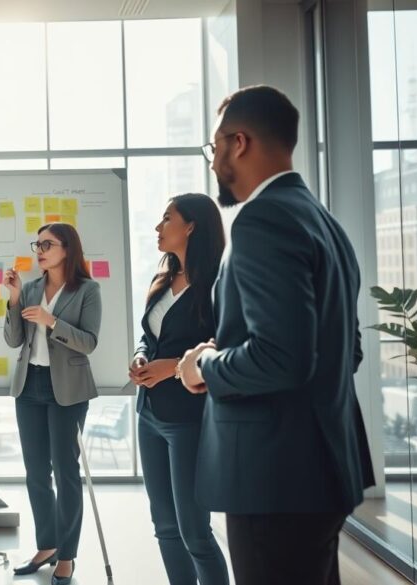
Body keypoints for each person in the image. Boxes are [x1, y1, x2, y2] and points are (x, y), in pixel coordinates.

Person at [178, 85, 375, 585]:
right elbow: (345, 351)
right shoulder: (324, 221)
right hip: (322, 471)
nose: (213, 161)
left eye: (214, 148)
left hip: (274, 480)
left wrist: (203, 364)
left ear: (237, 143)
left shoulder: (261, 220)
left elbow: (281, 357)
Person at [129, 194, 230, 585]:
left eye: (166, 218)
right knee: (165, 526)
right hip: (149, 414)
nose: (158, 227)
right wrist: (140, 357)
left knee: (194, 531)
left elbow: (221, 346)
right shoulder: (163, 279)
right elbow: (147, 335)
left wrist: (170, 368)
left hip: (187, 418)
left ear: (191, 226)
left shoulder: (218, 285)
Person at [3, 223, 101, 585]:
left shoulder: (88, 290)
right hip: (29, 386)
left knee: (65, 472)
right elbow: (15, 340)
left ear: (67, 249)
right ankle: (47, 545)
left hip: (68, 390)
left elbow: (89, 343)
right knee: (36, 473)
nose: (39, 250)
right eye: (38, 244)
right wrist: (14, 300)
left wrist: (51, 321)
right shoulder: (29, 288)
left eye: (47, 244)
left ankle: (67, 555)